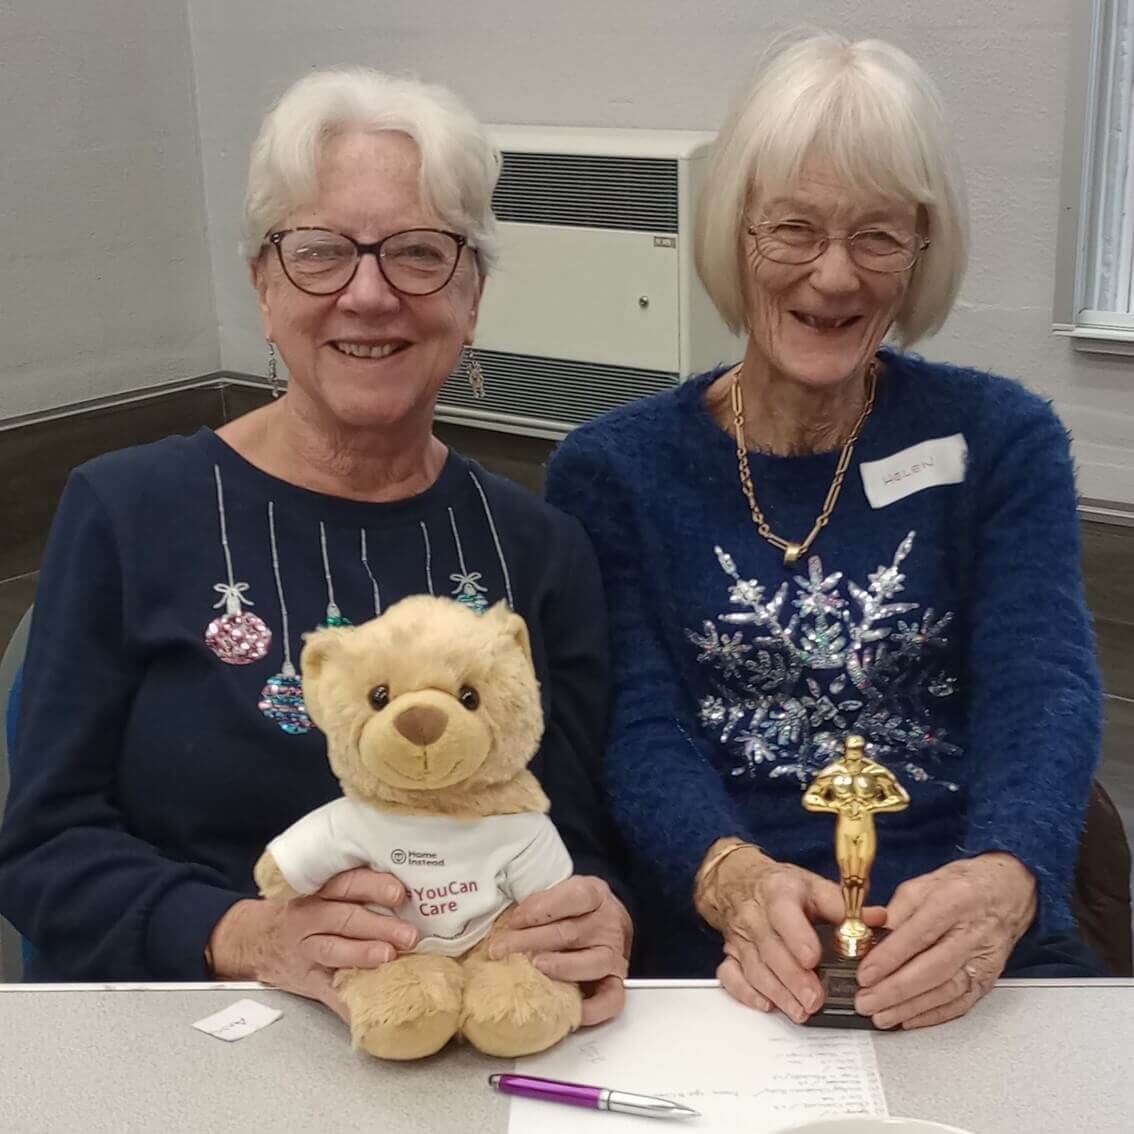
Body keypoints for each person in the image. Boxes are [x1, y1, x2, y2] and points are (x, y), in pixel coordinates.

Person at [0, 68, 631, 1028]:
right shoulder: (127, 512)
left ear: (472, 295)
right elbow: (43, 847)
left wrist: (595, 916)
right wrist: (240, 936)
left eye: (419, 253)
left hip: (467, 1045)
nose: (369, 294)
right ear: (261, 284)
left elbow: (576, 840)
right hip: (178, 1032)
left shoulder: (540, 549)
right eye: (321, 252)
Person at [545, 31, 1104, 1031]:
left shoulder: (1001, 440)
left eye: (878, 237)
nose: (835, 277)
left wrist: (1007, 876)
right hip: (727, 948)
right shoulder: (611, 472)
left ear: (923, 252)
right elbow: (638, 725)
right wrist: (725, 880)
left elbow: (1044, 688)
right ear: (734, 231)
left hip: (969, 943)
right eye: (793, 230)